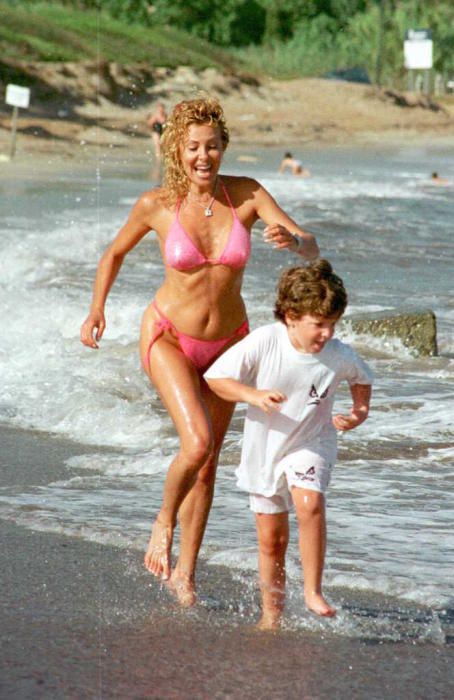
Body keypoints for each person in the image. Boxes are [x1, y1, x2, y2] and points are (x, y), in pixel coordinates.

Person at [80, 97, 320, 607]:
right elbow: (114, 251)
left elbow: (310, 243)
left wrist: (294, 241)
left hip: (229, 346)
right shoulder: (157, 204)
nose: (203, 156)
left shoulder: (248, 195)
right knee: (195, 444)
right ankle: (162, 522)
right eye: (192, 147)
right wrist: (96, 309)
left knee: (208, 462)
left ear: (223, 146)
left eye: (211, 146)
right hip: (167, 334)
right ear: (177, 149)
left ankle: (185, 576)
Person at [204, 260, 373, 629]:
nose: (327, 333)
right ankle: (271, 616)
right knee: (271, 542)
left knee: (309, 502)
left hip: (313, 442)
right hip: (265, 450)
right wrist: (253, 394)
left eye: (333, 323)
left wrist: (358, 412)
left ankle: (313, 590)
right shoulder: (266, 340)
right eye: (319, 323)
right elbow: (216, 378)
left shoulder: (339, 354)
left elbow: (362, 379)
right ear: (291, 316)